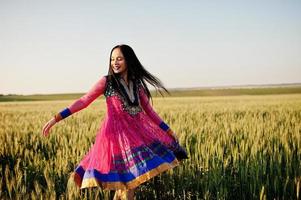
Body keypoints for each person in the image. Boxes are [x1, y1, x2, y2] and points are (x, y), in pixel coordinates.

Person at [42, 44, 187, 200]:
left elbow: (149, 111)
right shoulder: (107, 82)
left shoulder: (136, 84)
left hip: (136, 136)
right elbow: (84, 100)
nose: (115, 63)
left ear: (128, 60)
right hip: (115, 138)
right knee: (130, 183)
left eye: (119, 59)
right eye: (112, 59)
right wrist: (57, 118)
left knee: (128, 184)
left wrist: (167, 130)